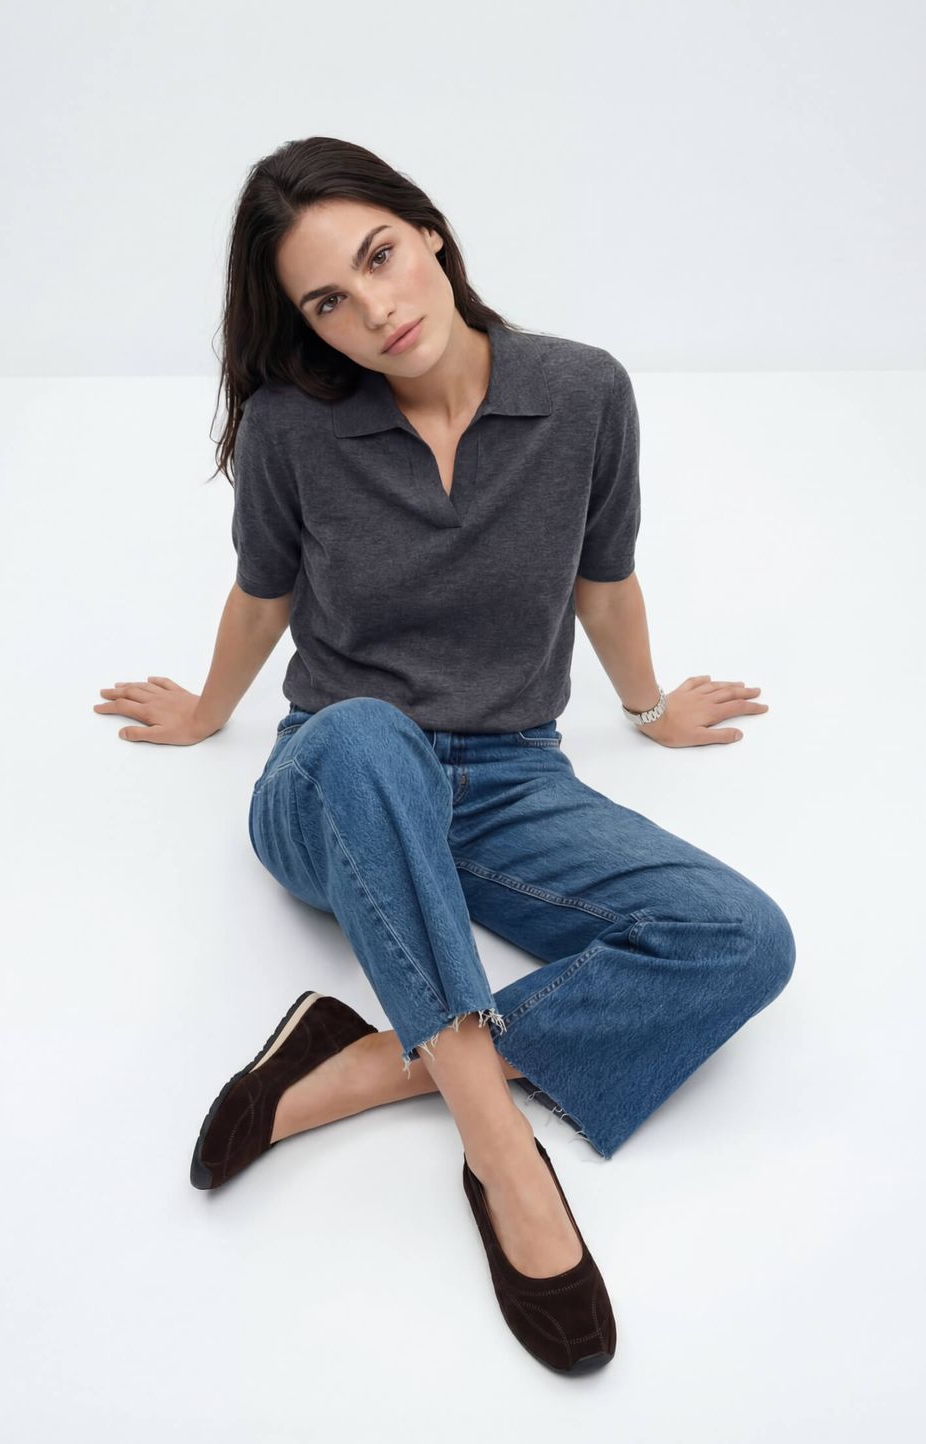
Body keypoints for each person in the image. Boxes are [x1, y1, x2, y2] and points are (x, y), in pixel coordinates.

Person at [93, 136, 795, 1374]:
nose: (373, 310)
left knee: (742, 938)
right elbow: (262, 595)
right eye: (328, 302)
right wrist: (207, 710)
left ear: (427, 231)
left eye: (379, 257)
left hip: (513, 778)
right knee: (366, 730)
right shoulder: (292, 429)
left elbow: (604, 582)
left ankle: (355, 1068)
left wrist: (646, 709)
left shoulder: (582, 392)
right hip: (335, 781)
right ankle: (500, 1153)